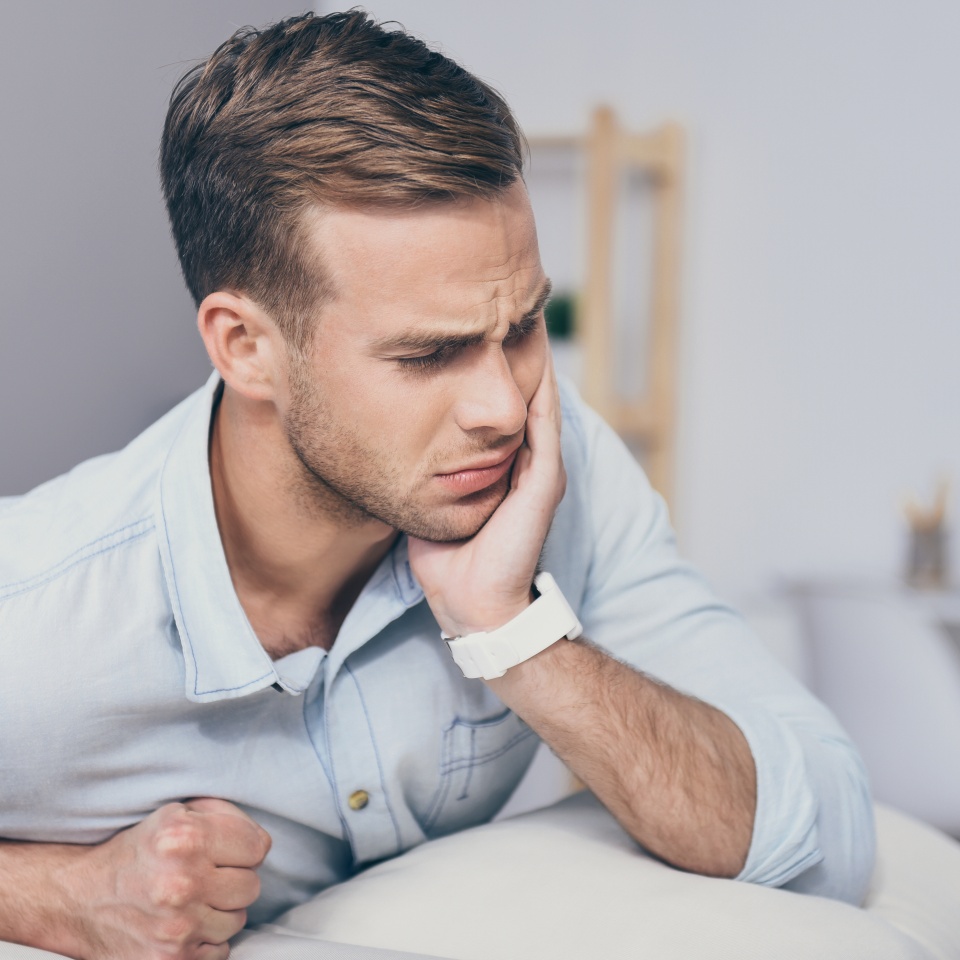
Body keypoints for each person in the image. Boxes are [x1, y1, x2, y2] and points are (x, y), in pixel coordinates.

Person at [0, 11, 874, 960]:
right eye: (431, 353)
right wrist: (50, 894)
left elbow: (824, 838)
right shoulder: (36, 616)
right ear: (246, 347)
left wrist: (516, 633)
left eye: (525, 328)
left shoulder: (551, 464)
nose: (505, 404)